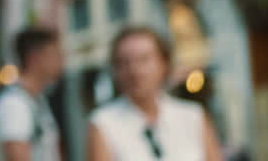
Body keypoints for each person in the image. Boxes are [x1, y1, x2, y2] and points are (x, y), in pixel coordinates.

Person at [88, 26, 224, 161]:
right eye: (124, 62)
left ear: (164, 64)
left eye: (144, 59)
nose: (134, 70)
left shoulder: (193, 115)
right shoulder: (104, 123)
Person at [0, 27, 64, 161]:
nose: (61, 60)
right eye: (55, 54)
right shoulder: (13, 104)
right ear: (35, 58)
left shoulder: (37, 99)